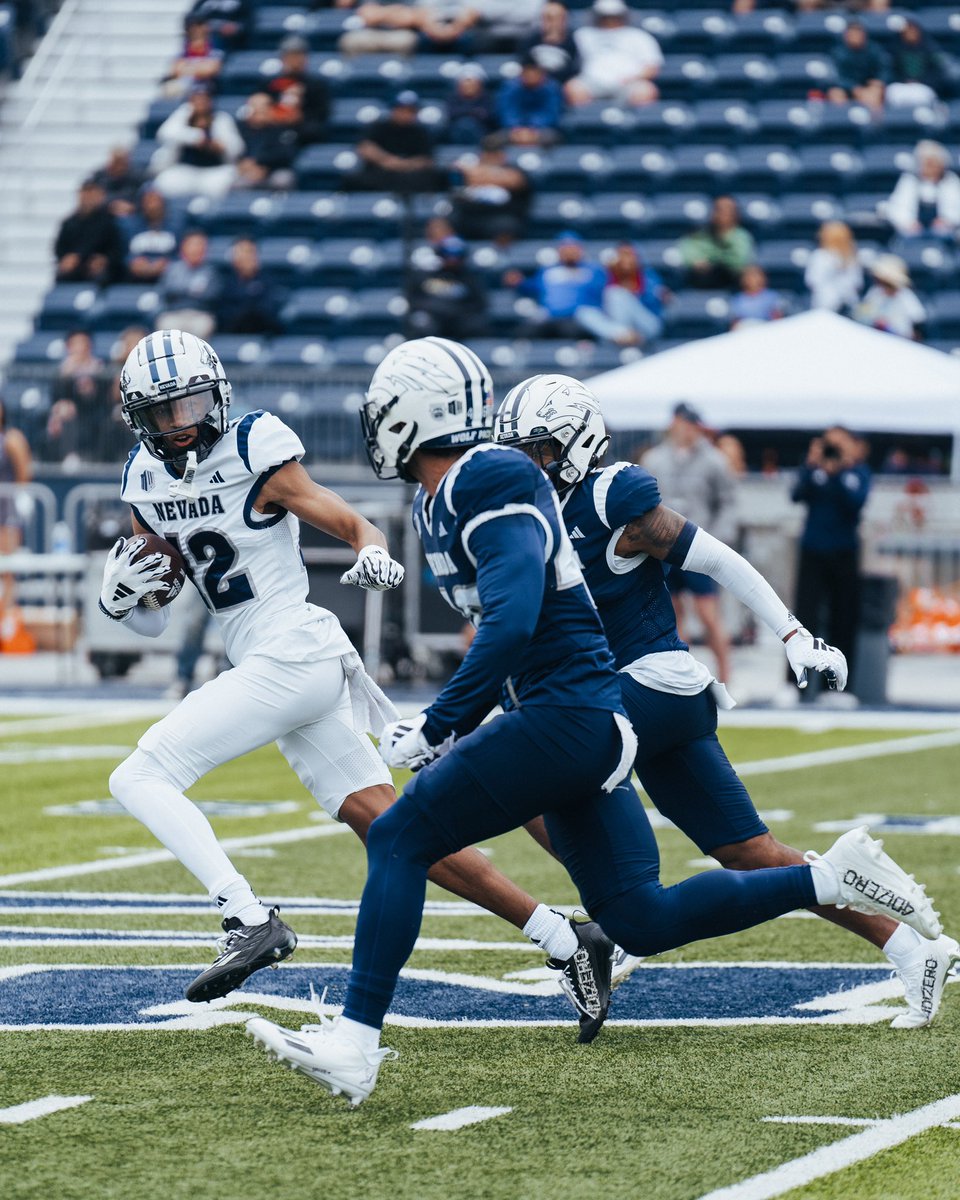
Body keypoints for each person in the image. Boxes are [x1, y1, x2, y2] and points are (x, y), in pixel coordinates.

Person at [246, 336, 940, 1103]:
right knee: (640, 917)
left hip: (587, 705)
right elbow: (507, 625)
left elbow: (513, 625)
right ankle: (830, 874)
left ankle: (357, 1041)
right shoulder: (443, 495)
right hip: (575, 714)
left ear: (416, 415)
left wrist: (443, 721)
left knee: (403, 834)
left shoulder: (509, 480)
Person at [102, 329, 622, 1025]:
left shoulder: (253, 446)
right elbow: (155, 616)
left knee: (137, 776)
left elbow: (350, 523)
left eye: (190, 404)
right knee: (392, 830)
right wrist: (121, 603)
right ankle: (567, 939)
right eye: (164, 413)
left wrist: (374, 551)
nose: (181, 423)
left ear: (217, 394)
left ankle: (245, 917)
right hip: (272, 662)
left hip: (293, 650)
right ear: (141, 418)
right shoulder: (142, 478)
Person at [491, 373, 958, 1032]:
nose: (525, 463)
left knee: (529, 767)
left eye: (536, 448)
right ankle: (911, 947)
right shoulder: (534, 515)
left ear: (575, 441)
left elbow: (717, 560)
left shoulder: (608, 496)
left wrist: (794, 634)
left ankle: (614, 920)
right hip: (652, 704)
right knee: (751, 852)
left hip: (647, 686)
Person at [641, 403, 736, 683]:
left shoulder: (714, 460)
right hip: (664, 549)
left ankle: (726, 678)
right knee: (672, 616)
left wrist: (716, 539)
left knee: (708, 615)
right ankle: (681, 678)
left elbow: (728, 503)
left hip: (698, 548)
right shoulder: (655, 458)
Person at [790, 425, 871, 695]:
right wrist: (813, 465)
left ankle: (837, 689)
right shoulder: (814, 471)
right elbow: (795, 494)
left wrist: (839, 472)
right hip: (813, 550)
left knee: (843, 618)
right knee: (802, 620)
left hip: (844, 552)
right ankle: (796, 684)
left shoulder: (857, 472)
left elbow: (855, 503)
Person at [504, 231, 609, 340]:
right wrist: (519, 282)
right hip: (549, 314)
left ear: (580, 250)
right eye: (565, 248)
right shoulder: (548, 270)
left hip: (578, 316)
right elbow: (534, 287)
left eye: (573, 248)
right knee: (525, 331)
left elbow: (601, 293)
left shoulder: (593, 271)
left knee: (572, 330)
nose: (569, 252)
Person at [152, 83, 244, 200]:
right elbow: (164, 133)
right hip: (185, 169)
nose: (201, 102)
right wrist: (196, 137)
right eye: (197, 98)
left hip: (214, 170)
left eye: (204, 99)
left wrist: (219, 146)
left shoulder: (221, 119)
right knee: (163, 183)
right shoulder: (183, 115)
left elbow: (237, 148)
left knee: (221, 187)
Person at [345, 90, 448, 194]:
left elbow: (427, 160)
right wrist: (387, 160)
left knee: (434, 177)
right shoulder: (379, 127)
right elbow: (365, 147)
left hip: (408, 174)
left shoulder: (421, 132)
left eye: (411, 111)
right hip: (381, 172)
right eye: (402, 109)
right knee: (352, 178)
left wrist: (403, 165)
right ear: (393, 109)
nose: (406, 114)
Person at [565, 0, 662, 108]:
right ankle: (583, 123)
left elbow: (652, 67)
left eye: (613, 15)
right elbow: (570, 60)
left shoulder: (638, 36)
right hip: (591, 82)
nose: (609, 19)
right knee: (573, 88)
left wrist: (633, 78)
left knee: (646, 91)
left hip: (629, 83)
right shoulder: (583, 34)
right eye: (605, 15)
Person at [404, 235, 488, 340]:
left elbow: (480, 304)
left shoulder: (470, 279)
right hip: (433, 318)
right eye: (448, 255)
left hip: (459, 320)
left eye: (457, 255)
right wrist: (438, 308)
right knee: (421, 322)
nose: (452, 259)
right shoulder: (426, 275)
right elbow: (413, 299)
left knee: (475, 324)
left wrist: (454, 310)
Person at [450, 135, 531, 243]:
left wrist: (479, 174)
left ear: (503, 155)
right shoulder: (471, 168)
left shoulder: (514, 170)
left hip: (502, 217)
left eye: (495, 153)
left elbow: (516, 180)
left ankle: (500, 258)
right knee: (441, 222)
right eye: (488, 153)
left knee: (506, 226)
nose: (491, 157)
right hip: (470, 216)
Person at [45, 330, 108, 465]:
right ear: (68, 347)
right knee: (64, 411)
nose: (80, 348)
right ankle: (69, 457)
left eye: (83, 344)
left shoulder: (100, 368)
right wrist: (66, 376)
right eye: (75, 344)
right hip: (69, 416)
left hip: (94, 415)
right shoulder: (63, 369)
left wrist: (90, 390)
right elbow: (56, 396)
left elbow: (104, 399)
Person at [54, 178, 125, 286]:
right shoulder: (69, 223)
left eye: (92, 192)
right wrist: (66, 259)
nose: (88, 197)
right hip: (76, 267)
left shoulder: (109, 221)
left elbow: (117, 249)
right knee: (63, 275)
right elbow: (59, 249)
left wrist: (105, 260)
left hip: (99, 268)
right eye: (85, 192)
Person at [264, 34, 331, 148]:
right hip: (272, 134)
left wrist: (299, 118)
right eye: (291, 55)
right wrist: (274, 115)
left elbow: (322, 116)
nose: (295, 60)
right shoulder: (270, 84)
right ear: (283, 58)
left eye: (299, 55)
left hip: (305, 136)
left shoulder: (317, 85)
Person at [677, 196, 755, 291]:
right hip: (702, 283)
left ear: (736, 214)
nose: (723, 214)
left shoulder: (742, 237)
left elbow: (739, 263)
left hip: (734, 284)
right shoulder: (700, 236)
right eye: (719, 209)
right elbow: (690, 257)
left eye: (728, 210)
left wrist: (713, 262)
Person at [885, 141, 960, 241]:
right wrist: (908, 222)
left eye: (934, 163)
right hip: (912, 232)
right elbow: (897, 208)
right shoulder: (909, 181)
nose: (930, 167)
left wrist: (947, 220)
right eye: (927, 163)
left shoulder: (951, 180)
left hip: (945, 233)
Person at [157, 229, 221, 340]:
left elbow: (211, 296)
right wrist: (192, 291)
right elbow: (166, 292)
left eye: (200, 245)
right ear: (183, 248)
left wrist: (181, 291)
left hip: (200, 315)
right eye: (192, 244)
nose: (196, 249)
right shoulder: (173, 269)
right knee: (167, 327)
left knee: (202, 327)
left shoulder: (211, 271)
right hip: (174, 313)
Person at [215, 237, 283, 335]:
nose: (246, 257)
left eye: (249, 252)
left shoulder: (268, 280)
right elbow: (222, 312)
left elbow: (269, 310)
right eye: (241, 252)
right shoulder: (224, 282)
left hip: (262, 333)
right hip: (231, 332)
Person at [235, 91, 300, 190]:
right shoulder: (240, 128)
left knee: (283, 179)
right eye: (254, 107)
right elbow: (234, 150)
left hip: (274, 170)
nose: (259, 112)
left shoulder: (282, 127)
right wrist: (246, 165)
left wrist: (260, 163)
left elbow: (287, 154)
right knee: (236, 182)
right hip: (247, 171)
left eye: (263, 108)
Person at [854, 255, 925, 341]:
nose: (883, 287)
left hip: (900, 337)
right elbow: (863, 313)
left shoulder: (905, 295)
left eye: (887, 284)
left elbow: (918, 316)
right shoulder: (875, 292)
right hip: (875, 334)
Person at [495, 56, 563, 147]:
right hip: (513, 130)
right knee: (493, 141)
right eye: (528, 72)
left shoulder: (551, 88)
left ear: (542, 74)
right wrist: (517, 128)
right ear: (522, 74)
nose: (531, 76)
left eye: (534, 72)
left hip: (541, 129)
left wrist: (533, 129)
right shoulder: (510, 87)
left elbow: (551, 112)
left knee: (551, 138)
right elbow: (506, 111)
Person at [124, 188, 183, 284]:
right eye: (148, 201)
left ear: (163, 203)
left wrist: (169, 263)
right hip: (134, 278)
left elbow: (183, 253)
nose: (152, 206)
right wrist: (132, 261)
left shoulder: (176, 226)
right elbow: (121, 252)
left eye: (155, 200)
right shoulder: (131, 226)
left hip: (168, 278)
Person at [887, 18, 948, 108]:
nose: (910, 34)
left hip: (924, 85)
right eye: (907, 31)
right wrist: (905, 80)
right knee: (893, 93)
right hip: (901, 86)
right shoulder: (894, 49)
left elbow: (937, 72)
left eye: (913, 30)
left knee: (921, 96)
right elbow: (891, 71)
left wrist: (920, 81)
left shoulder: (930, 49)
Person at [160, 12, 224, 99]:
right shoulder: (184, 47)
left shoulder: (214, 45)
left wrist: (187, 67)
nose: (196, 30)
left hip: (206, 88)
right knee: (169, 89)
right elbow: (174, 69)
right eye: (193, 26)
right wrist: (199, 67)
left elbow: (211, 69)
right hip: (185, 89)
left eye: (199, 25)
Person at [827, 20, 889, 110]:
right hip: (846, 88)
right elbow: (835, 77)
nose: (855, 37)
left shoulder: (874, 50)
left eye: (858, 33)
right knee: (835, 94)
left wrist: (878, 82)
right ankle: (842, 122)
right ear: (846, 36)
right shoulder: (837, 53)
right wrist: (854, 88)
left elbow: (885, 69)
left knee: (875, 93)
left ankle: (874, 123)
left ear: (864, 35)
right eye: (852, 34)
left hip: (868, 88)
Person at [805, 221, 862, 314]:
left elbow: (857, 283)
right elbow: (812, 281)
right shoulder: (819, 256)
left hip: (849, 306)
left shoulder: (852, 257)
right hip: (824, 306)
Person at [522, 1, 580, 84]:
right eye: (545, 18)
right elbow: (525, 66)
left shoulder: (575, 41)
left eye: (555, 18)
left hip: (565, 84)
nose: (550, 23)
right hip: (535, 85)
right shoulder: (531, 40)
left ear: (565, 20)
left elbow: (576, 69)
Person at [445, 63, 497, 145]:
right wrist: (474, 112)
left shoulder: (487, 99)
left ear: (480, 85)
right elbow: (451, 114)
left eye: (472, 83)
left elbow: (487, 116)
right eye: (465, 83)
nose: (468, 86)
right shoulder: (452, 99)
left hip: (483, 133)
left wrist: (465, 112)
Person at [91, 146, 145, 219]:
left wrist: (133, 207)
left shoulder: (138, 177)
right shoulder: (99, 177)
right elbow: (92, 198)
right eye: (116, 162)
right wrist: (111, 206)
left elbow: (145, 198)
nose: (119, 166)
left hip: (132, 215)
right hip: (103, 215)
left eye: (122, 162)